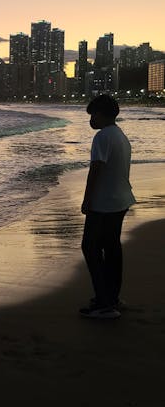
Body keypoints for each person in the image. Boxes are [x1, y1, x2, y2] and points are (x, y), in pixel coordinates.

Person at [79, 94, 135, 319]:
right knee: (111, 248)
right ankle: (111, 297)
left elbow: (96, 170)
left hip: (104, 203)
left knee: (90, 248)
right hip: (120, 199)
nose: (91, 119)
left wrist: (87, 199)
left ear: (101, 115)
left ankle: (104, 303)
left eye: (93, 115)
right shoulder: (120, 135)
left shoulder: (102, 137)